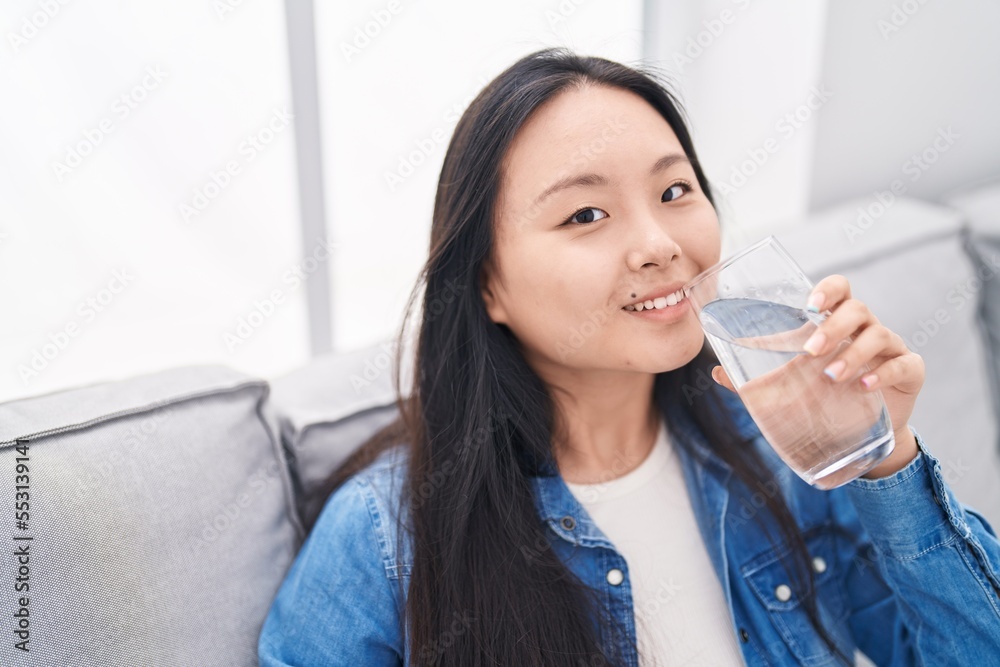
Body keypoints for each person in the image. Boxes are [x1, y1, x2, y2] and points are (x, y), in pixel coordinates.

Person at [257, 48, 1000, 666]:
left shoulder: (781, 447)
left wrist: (885, 459)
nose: (660, 244)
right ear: (487, 284)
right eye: (587, 214)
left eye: (675, 189)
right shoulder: (385, 535)